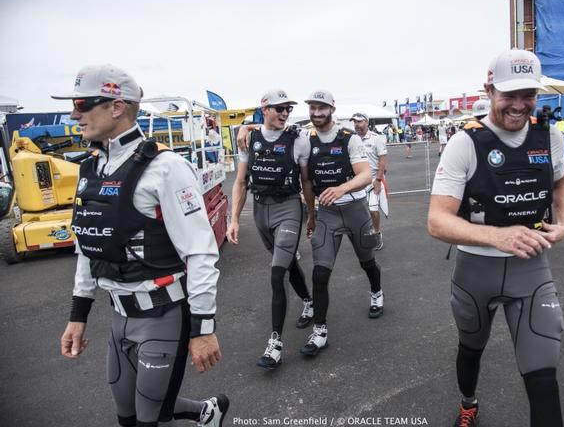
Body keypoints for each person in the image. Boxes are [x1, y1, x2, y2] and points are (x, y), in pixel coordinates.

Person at [55, 65, 229, 427]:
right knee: (128, 417)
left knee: (150, 420)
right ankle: (206, 413)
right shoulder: (90, 168)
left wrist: (203, 328)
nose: (74, 114)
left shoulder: (165, 167)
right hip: (119, 317)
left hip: (162, 316)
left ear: (117, 107)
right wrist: (77, 316)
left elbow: (200, 251)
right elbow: (89, 246)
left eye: (82, 104)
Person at [427, 49, 564, 427]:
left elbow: (562, 183)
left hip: (532, 271)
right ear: (489, 89)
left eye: (529, 95)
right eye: (509, 94)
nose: (519, 105)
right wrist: (497, 237)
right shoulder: (465, 142)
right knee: (471, 348)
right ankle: (468, 403)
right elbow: (437, 221)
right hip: (475, 273)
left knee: (545, 379)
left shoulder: (549, 135)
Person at [227, 89, 314, 370]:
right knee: (287, 265)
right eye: (279, 109)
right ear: (264, 109)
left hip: (288, 208)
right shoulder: (248, 138)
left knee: (277, 273)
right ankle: (309, 301)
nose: (285, 113)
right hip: (261, 211)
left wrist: (311, 214)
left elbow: (306, 182)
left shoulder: (298, 141)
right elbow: (240, 182)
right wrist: (234, 219)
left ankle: (275, 344)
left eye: (288, 108)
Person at [300, 90, 384, 355]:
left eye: (321, 108)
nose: (316, 113)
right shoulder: (305, 139)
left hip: (355, 209)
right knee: (320, 272)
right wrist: (311, 216)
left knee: (367, 261)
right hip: (327, 214)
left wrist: (341, 188)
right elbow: (308, 183)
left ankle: (376, 292)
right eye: (312, 108)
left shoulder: (348, 138)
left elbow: (365, 174)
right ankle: (320, 331)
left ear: (332, 109)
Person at [350, 112, 388, 250]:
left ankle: (377, 233)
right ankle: (366, 233)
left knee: (373, 209)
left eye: (359, 122)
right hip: (357, 180)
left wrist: (378, 179)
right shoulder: (351, 138)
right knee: (359, 211)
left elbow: (383, 160)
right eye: (354, 122)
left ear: (366, 122)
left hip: (373, 179)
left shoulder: (377, 138)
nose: (356, 125)